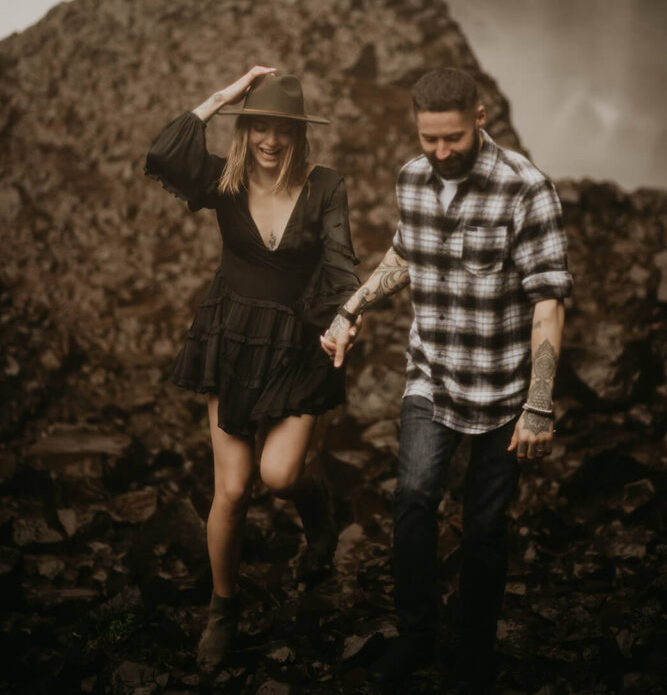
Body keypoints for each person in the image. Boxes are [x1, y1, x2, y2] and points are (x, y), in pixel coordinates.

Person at [322, 67, 572, 694]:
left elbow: (548, 302)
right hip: (431, 376)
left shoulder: (527, 190)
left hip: (505, 388)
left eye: (452, 139)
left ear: (479, 118)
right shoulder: (413, 178)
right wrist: (351, 309)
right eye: (428, 139)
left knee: (485, 528)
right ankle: (416, 636)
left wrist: (538, 406)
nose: (439, 153)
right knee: (412, 502)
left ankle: (474, 653)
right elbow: (407, 253)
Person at [145, 66, 360, 675]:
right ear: (246, 128)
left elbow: (343, 264)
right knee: (234, 490)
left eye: (281, 128)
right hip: (231, 340)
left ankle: (320, 514)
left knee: (282, 475)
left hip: (296, 345)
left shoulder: (326, 186)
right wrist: (222, 96)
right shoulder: (224, 180)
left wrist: (347, 316)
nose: (269, 139)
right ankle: (223, 612)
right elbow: (163, 152)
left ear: (298, 134)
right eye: (258, 125)